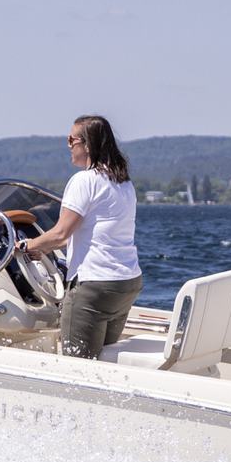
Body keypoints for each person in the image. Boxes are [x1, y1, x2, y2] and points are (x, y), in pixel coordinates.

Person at [20, 114, 142, 358]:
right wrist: (41, 248)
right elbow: (73, 236)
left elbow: (60, 233)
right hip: (125, 284)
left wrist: (25, 246)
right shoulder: (123, 183)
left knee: (78, 366)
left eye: (70, 139)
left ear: (87, 144)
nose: (68, 145)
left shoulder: (84, 180)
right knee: (102, 359)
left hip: (94, 286)